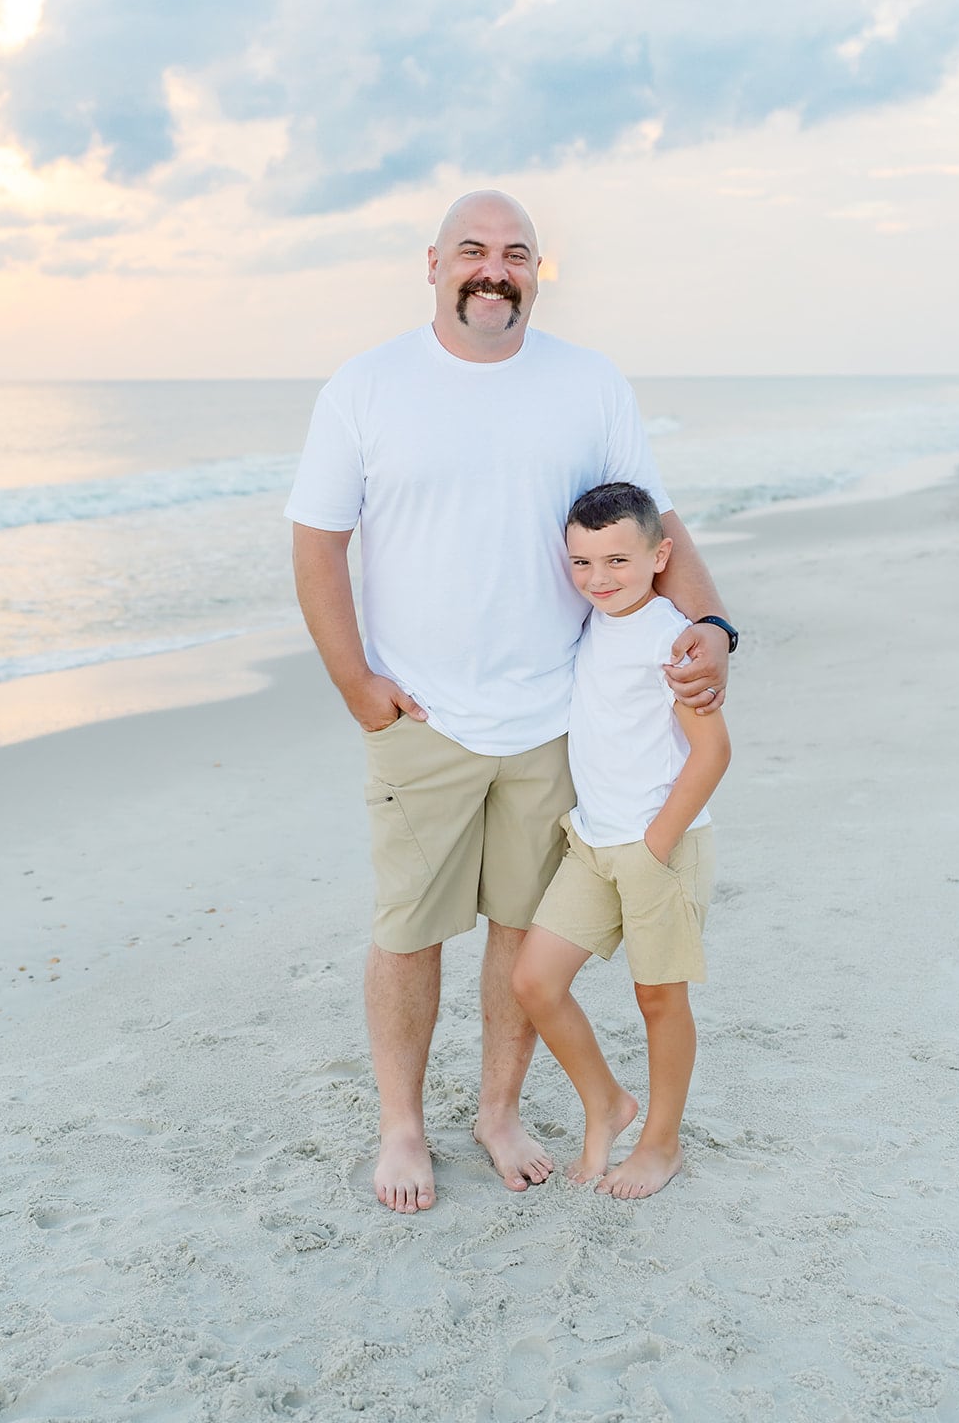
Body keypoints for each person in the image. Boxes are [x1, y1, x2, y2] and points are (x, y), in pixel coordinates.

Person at [285, 190, 736, 1214]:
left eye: (516, 254)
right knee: (406, 929)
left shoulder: (586, 383)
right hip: (420, 720)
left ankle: (497, 1110)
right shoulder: (366, 386)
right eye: (474, 252)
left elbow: (655, 522)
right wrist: (355, 683)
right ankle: (401, 1124)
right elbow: (317, 540)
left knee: (518, 931)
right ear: (434, 262)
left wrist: (711, 626)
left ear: (539, 271)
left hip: (549, 720)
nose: (494, 269)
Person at [513, 483, 730, 1199]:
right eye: (580, 563)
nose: (597, 578)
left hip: (653, 848)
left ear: (659, 554)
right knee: (534, 983)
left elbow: (711, 751)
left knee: (659, 1001)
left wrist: (655, 842)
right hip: (592, 843)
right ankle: (606, 1102)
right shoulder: (587, 624)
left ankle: (659, 1144)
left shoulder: (673, 636)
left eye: (616, 561)